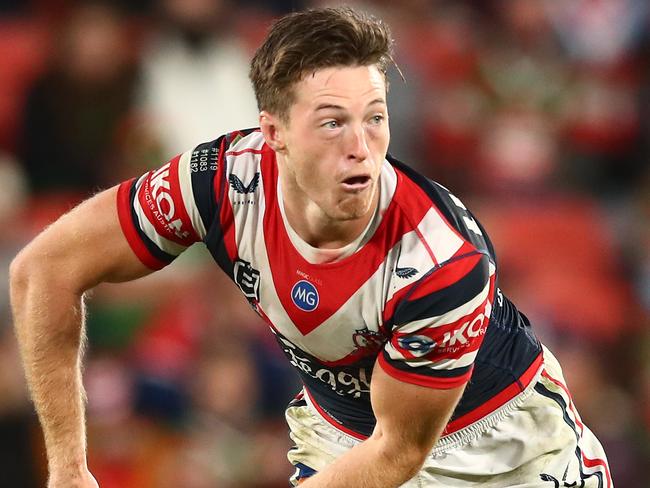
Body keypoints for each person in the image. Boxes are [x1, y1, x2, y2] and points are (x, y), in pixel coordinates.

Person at [9, 7, 613, 488]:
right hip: (343, 433)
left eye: (375, 117)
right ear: (272, 132)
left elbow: (399, 453)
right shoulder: (217, 182)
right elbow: (42, 272)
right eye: (332, 122)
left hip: (502, 453)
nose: (361, 147)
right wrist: (67, 468)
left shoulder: (440, 261)